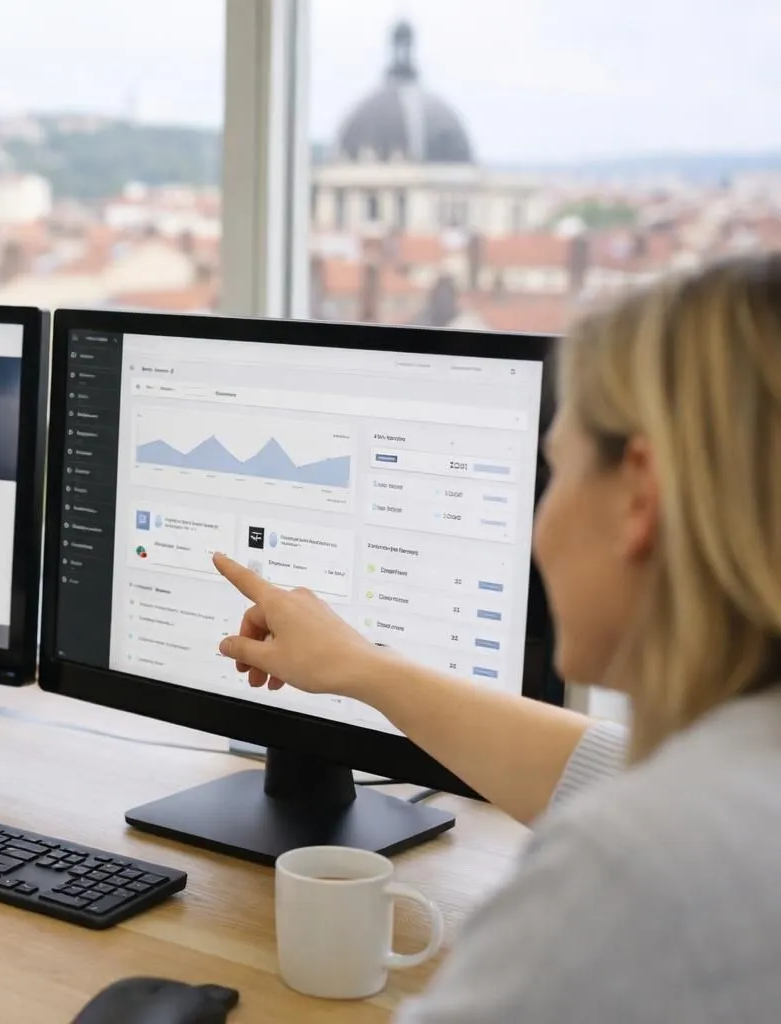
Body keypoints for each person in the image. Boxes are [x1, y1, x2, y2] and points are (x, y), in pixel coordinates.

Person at [214, 253, 781, 1022]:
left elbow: (645, 824)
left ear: (639, 495)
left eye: (559, 470)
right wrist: (361, 668)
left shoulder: (634, 872)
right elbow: (608, 772)